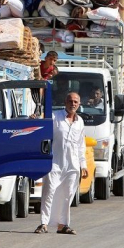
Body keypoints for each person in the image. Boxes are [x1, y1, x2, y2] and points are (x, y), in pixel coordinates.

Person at [34, 92, 88, 235]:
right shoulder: (55, 117)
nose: (73, 104)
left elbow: (80, 145)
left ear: (79, 104)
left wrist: (83, 165)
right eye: (70, 101)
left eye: (76, 101)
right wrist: (34, 120)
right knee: (49, 192)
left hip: (72, 165)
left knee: (67, 194)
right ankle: (44, 223)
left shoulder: (80, 121)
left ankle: (62, 225)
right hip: (55, 163)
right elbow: (42, 128)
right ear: (65, 102)